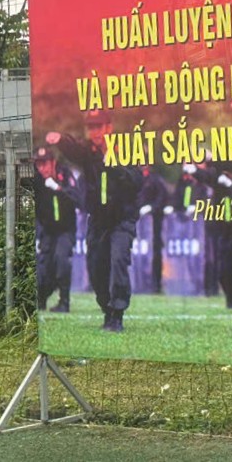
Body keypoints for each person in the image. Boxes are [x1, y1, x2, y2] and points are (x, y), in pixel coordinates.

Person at [47, 109, 144, 332]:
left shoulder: (125, 149)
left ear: (109, 127)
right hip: (98, 220)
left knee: (118, 260)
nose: (95, 132)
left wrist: (116, 167)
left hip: (122, 219)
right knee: (96, 266)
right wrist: (60, 139)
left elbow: (137, 181)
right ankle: (106, 310)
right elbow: (73, 149)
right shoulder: (88, 151)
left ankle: (117, 314)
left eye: (99, 127)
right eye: (91, 127)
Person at [32, 146, 83, 313]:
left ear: (53, 162)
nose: (42, 168)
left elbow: (77, 199)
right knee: (43, 268)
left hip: (65, 229)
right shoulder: (37, 180)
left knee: (62, 260)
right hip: (47, 230)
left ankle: (64, 301)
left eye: (45, 163)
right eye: (38, 164)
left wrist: (59, 189)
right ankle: (40, 300)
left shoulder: (65, 174)